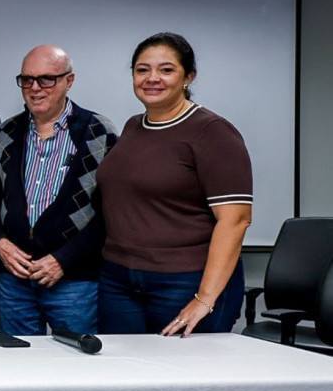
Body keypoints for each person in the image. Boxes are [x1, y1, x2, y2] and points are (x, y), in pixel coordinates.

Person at [97, 32, 252, 336]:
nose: (152, 78)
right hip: (119, 280)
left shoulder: (212, 132)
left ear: (188, 77)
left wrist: (205, 299)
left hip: (184, 282)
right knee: (123, 377)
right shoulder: (132, 126)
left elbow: (236, 220)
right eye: (142, 70)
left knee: (185, 379)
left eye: (166, 70)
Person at [0, 45, 117, 336]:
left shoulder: (99, 133)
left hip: (74, 283)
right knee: (16, 367)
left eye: (47, 79)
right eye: (27, 79)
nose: (35, 88)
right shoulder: (7, 134)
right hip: (15, 283)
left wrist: (64, 260)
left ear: (69, 81)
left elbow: (111, 214)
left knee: (74, 371)